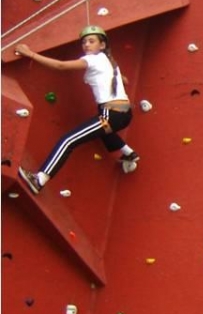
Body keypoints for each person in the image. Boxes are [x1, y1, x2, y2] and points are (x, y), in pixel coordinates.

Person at [14, 25, 139, 195]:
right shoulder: (109, 60)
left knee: (68, 140)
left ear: (102, 45)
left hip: (111, 114)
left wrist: (30, 54)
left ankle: (40, 179)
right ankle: (129, 153)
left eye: (91, 41)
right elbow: (123, 79)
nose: (86, 45)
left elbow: (61, 66)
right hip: (124, 115)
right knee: (101, 131)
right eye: (84, 42)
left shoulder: (94, 60)